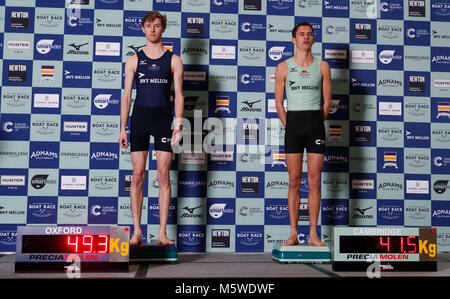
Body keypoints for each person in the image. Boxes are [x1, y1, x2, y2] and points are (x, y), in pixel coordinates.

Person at [119, 11, 184, 246]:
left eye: (157, 26)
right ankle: (136, 232)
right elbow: (127, 96)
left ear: (163, 28)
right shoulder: (133, 60)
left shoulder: (174, 60)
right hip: (140, 119)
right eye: (149, 26)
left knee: (163, 176)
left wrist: (178, 125)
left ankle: (162, 233)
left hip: (163, 119)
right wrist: (122, 128)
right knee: (137, 175)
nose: (153, 29)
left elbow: (179, 95)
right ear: (143, 29)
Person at [274, 22, 332, 246]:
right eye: (301, 34)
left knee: (315, 180)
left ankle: (313, 235)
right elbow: (279, 103)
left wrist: (317, 121)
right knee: (294, 181)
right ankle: (293, 233)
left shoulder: (323, 67)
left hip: (315, 125)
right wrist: (291, 124)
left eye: (309, 34)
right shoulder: (283, 68)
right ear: (294, 40)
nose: (306, 37)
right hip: (294, 126)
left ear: (313, 40)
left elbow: (327, 102)